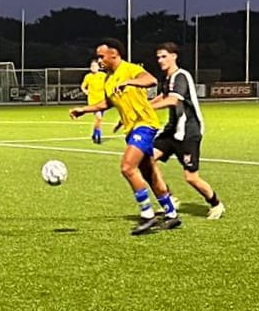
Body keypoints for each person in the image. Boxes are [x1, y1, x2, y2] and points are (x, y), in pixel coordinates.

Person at [69, 38, 180, 235]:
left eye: (102, 56)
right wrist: (84, 110)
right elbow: (107, 103)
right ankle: (171, 214)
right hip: (131, 130)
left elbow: (150, 80)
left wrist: (130, 81)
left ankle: (148, 215)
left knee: (128, 167)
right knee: (149, 173)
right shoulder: (108, 79)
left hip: (145, 124)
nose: (99, 60)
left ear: (114, 54)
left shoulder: (129, 69)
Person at [148, 42, 225, 219]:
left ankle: (216, 204)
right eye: (158, 57)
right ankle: (169, 199)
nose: (160, 60)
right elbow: (164, 95)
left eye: (164, 56)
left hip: (188, 133)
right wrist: (141, 107)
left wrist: (148, 109)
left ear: (174, 56)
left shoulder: (181, 76)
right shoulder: (168, 78)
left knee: (191, 178)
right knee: (147, 160)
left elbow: (173, 100)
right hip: (171, 132)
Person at [80, 59, 107, 144]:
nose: (94, 68)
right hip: (93, 101)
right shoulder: (88, 77)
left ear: (99, 67)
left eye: (95, 66)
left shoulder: (103, 75)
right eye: (92, 66)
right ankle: (98, 136)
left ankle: (94, 133)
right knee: (98, 117)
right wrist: (85, 91)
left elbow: (109, 85)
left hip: (102, 101)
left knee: (98, 119)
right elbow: (83, 86)